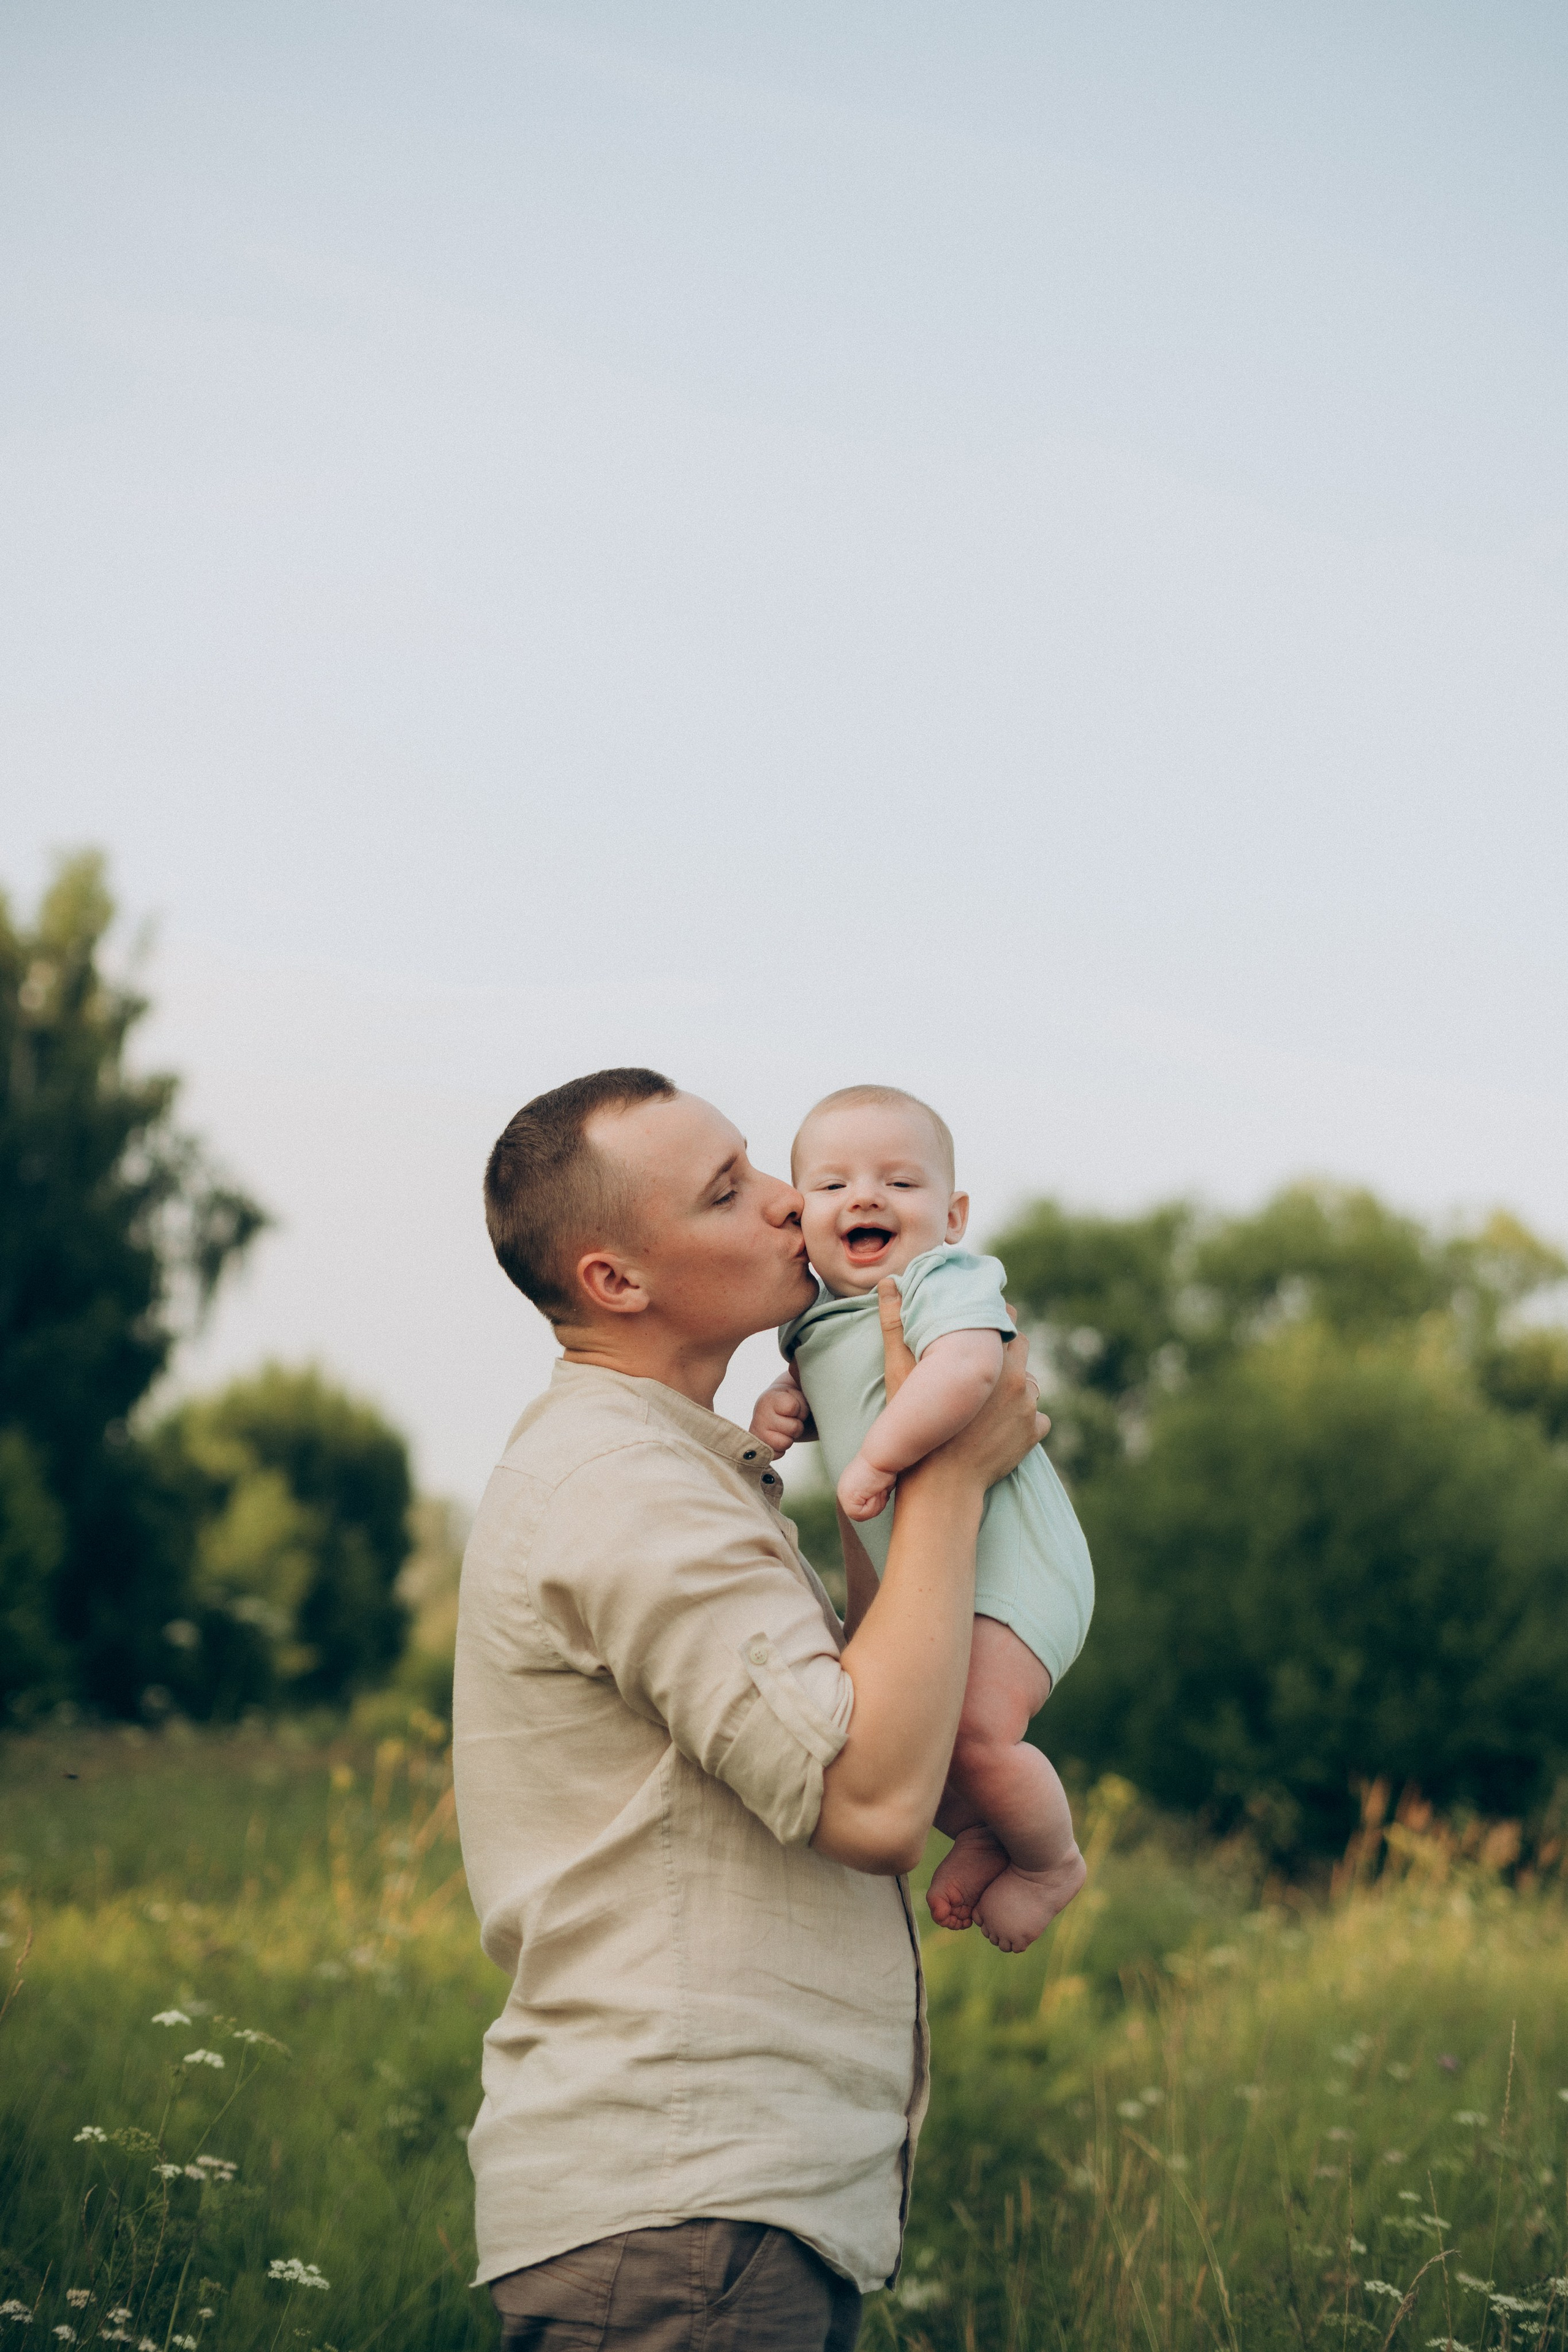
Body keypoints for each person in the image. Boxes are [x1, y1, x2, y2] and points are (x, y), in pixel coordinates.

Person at [454, 1067, 1047, 2352]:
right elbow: (873, 1798)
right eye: (732, 1191)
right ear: (616, 1278)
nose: (793, 1205)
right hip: (680, 2226)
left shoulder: (686, 1464)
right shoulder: (622, 1487)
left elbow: (878, 1689)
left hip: (712, 2218)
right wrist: (947, 1471)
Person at [750, 1085, 1093, 1956]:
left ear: (953, 1215)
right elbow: (855, 1389)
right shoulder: (815, 1320)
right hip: (948, 1562)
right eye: (832, 1186)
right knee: (912, 1738)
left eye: (900, 1183)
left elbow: (971, 1371)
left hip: (1014, 1565)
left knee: (976, 1729)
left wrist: (872, 1460)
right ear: (801, 1219)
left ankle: (1050, 1863)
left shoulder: (942, 1278)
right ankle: (983, 1830)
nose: (864, 1198)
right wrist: (790, 1408)